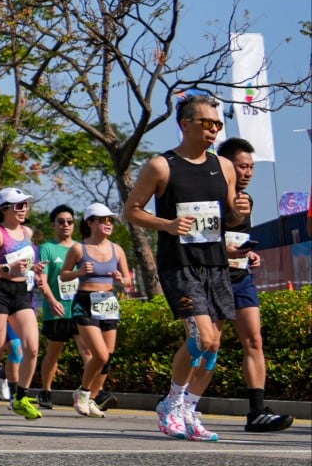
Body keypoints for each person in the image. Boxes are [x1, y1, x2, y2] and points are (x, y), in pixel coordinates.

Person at [124, 94, 245, 442]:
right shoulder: (161, 166)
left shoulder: (224, 166)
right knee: (200, 337)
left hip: (217, 264)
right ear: (186, 124)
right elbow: (131, 210)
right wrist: (167, 224)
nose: (214, 131)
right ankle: (171, 403)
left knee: (214, 344)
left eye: (218, 125)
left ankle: (191, 409)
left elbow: (232, 216)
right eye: (208, 124)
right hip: (180, 265)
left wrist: (239, 208)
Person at [216, 137, 293, 433]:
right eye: (242, 166)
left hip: (242, 278)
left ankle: (257, 411)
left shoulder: (248, 200)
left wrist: (251, 254)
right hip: (213, 279)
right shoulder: (209, 199)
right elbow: (200, 241)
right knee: (208, 345)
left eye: (251, 167)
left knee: (254, 341)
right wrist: (225, 253)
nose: (248, 172)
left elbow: (238, 240)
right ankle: (179, 403)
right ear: (225, 166)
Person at [0, 187, 45, 421]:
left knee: (32, 347)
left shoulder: (28, 231)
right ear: (4, 209)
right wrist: (8, 269)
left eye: (26, 204)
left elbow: (24, 262)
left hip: (22, 292)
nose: (24, 209)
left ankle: (21, 397)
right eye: (18, 205)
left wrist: (35, 268)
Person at [61, 203, 132, 418]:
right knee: (98, 354)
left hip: (108, 302)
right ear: (90, 222)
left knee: (107, 357)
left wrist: (122, 280)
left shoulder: (117, 249)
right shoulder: (78, 249)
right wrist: (79, 272)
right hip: (85, 301)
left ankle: (91, 398)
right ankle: (82, 393)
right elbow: (63, 275)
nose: (108, 224)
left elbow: (128, 279)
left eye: (110, 220)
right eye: (102, 220)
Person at [35, 204, 87, 411]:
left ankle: (87, 393)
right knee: (54, 353)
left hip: (79, 309)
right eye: (61, 221)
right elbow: (43, 279)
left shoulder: (81, 248)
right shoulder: (47, 248)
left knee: (89, 353)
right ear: (54, 224)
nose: (65, 225)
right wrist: (52, 300)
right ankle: (46, 391)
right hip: (56, 310)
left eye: (70, 222)